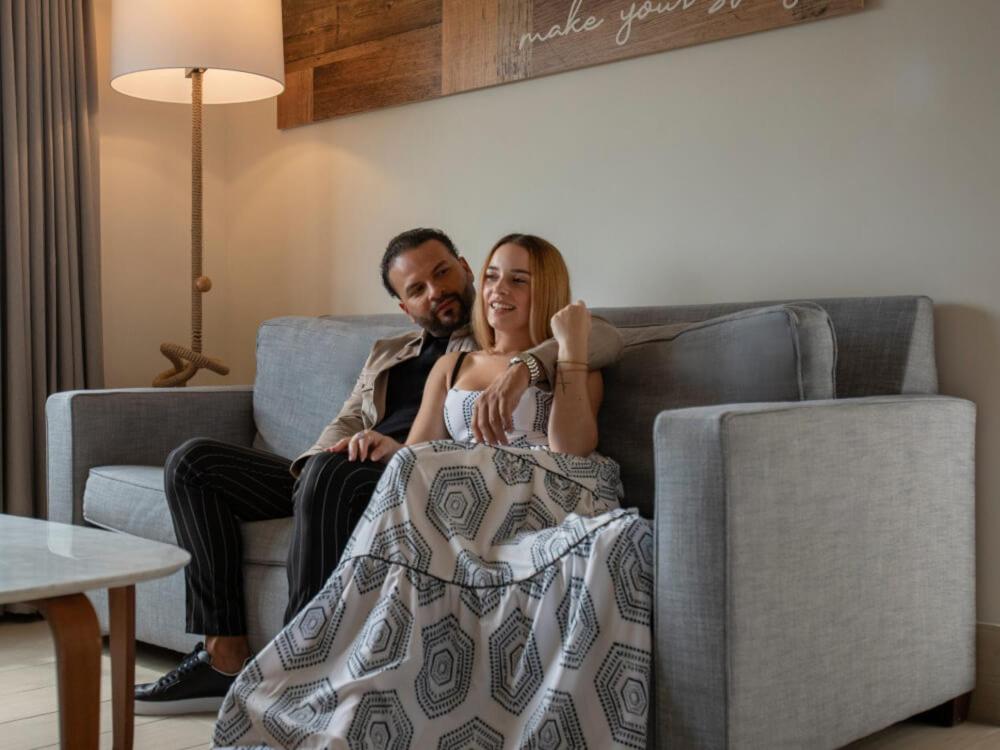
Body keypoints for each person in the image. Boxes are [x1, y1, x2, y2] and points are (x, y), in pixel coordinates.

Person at [135, 228, 624, 715]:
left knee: (332, 477)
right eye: (418, 289)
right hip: (344, 465)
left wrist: (525, 368)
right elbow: (348, 419)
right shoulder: (390, 351)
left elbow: (594, 334)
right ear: (405, 308)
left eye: (442, 273)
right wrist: (317, 460)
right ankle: (223, 655)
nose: (436, 291)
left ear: (464, 269)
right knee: (192, 463)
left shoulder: (497, 330)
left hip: (403, 475)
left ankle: (298, 668)